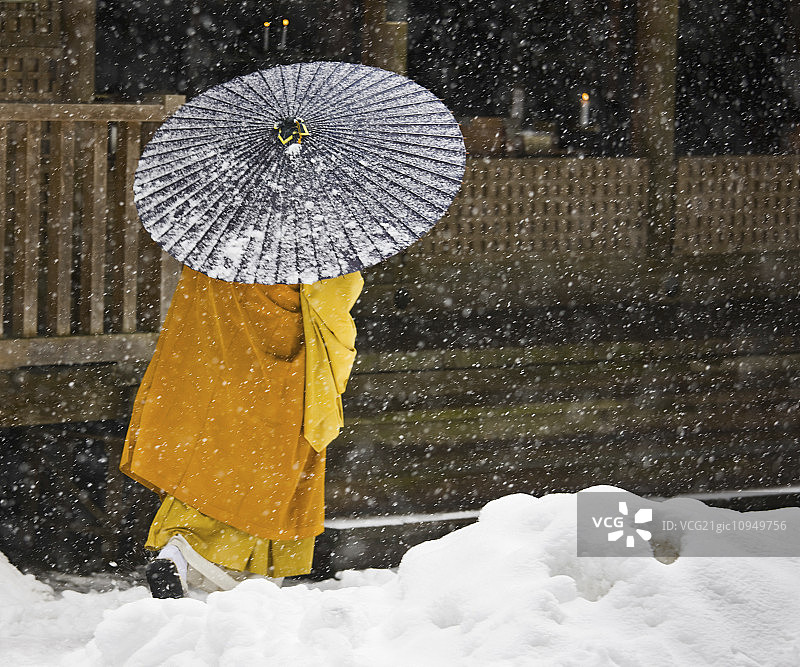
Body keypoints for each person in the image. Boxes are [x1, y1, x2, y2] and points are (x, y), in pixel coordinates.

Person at [120, 265, 363, 598]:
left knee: (210, 456)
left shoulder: (220, 246)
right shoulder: (312, 242)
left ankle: (178, 549)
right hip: (287, 370)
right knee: (272, 470)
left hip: (219, 359)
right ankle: (244, 583)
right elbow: (335, 297)